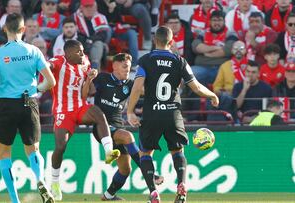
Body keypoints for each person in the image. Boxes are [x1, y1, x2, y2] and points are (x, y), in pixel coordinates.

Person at [127, 26, 219, 203]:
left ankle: (153, 192)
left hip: (152, 113)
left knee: (145, 153)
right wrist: (212, 95)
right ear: (171, 42)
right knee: (177, 150)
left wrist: (130, 112)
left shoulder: (146, 60)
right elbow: (196, 87)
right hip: (173, 114)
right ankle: (182, 186)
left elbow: (137, 87)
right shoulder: (180, 61)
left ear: (155, 40)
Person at [0, 13, 56, 203]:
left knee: (4, 152)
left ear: (4, 29)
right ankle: (40, 179)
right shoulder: (34, 51)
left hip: (7, 104)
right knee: (33, 149)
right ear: (23, 30)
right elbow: (51, 81)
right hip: (29, 102)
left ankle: (15, 200)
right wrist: (35, 89)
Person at [46, 39, 120, 201]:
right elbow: (47, 66)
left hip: (80, 106)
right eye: (78, 51)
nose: (82, 53)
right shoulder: (59, 61)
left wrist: (91, 77)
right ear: (69, 54)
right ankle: (55, 182)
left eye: (82, 51)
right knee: (60, 147)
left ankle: (108, 152)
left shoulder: (85, 61)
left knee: (99, 115)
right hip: (63, 110)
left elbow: (88, 89)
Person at [87, 53, 163, 201]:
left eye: (129, 67)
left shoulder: (129, 84)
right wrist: (89, 78)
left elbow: (148, 91)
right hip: (101, 127)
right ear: (114, 65)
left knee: (125, 169)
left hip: (117, 127)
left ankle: (108, 195)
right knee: (128, 136)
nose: (127, 70)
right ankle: (150, 174)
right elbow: (89, 92)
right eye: (124, 66)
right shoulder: (102, 78)